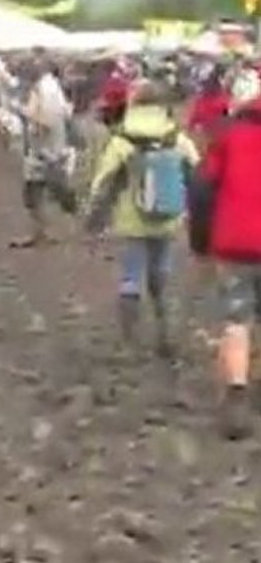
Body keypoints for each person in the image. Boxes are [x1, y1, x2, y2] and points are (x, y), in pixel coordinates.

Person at [86, 79, 199, 356]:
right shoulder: (176, 136)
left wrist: (93, 215)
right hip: (169, 217)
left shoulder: (122, 139)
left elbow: (103, 181)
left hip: (131, 218)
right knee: (161, 274)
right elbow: (197, 171)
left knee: (130, 277)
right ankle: (166, 334)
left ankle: (129, 343)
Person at [196, 77, 261, 439]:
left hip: (234, 242)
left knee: (236, 319)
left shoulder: (230, 137)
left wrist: (201, 242)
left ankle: (237, 391)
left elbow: (203, 188)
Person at [12, 58, 78, 248]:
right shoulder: (51, 87)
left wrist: (21, 111)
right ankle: (44, 232)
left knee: (40, 191)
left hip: (44, 149)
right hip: (50, 147)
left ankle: (48, 232)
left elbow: (46, 120)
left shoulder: (44, 88)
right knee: (41, 190)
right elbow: (65, 113)